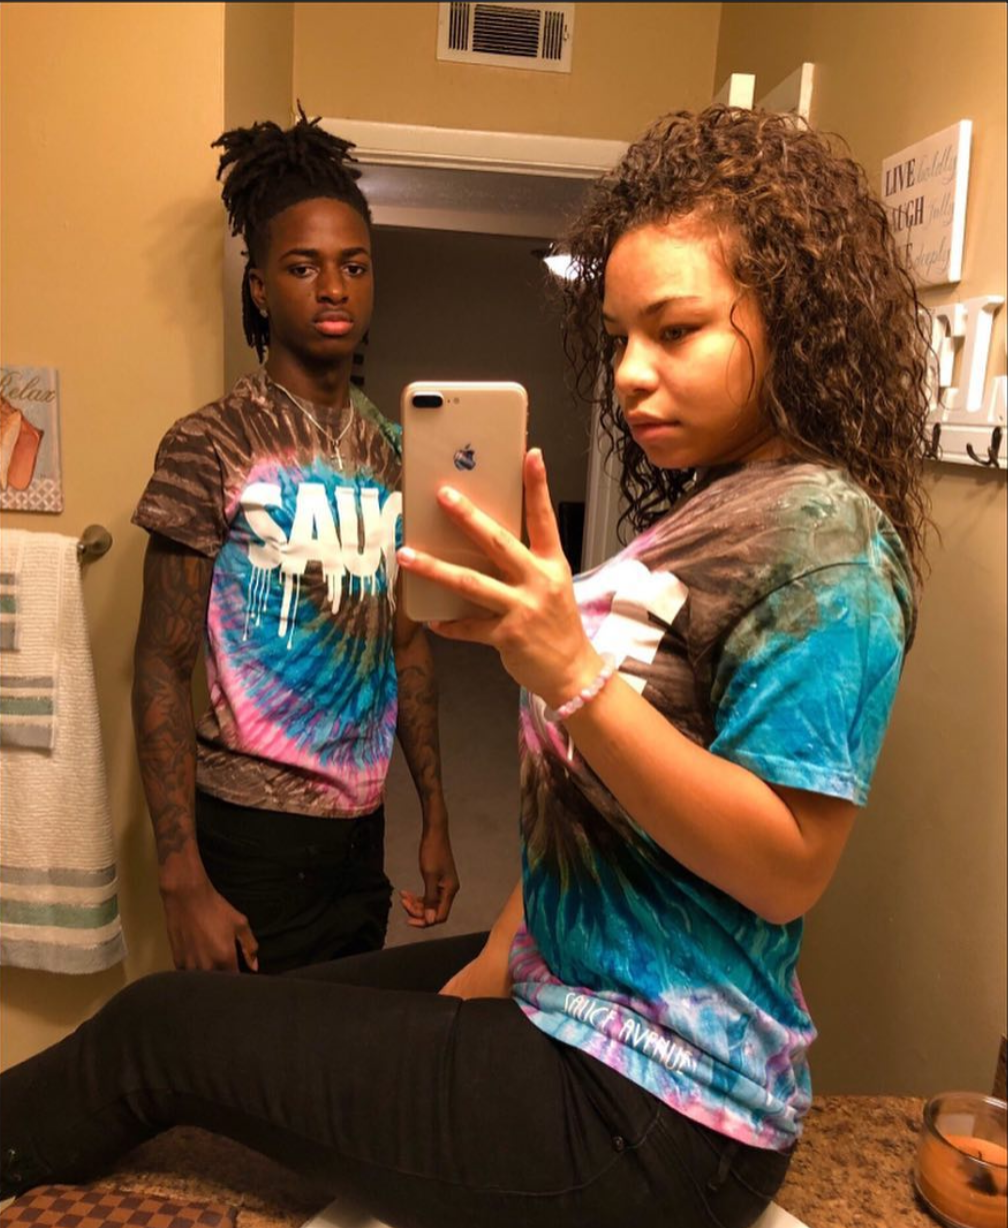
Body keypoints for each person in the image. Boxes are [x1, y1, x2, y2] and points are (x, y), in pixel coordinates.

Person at [1, 106, 932, 1228]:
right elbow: (601, 805)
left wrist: (570, 672)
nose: (630, 376)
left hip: (655, 1105)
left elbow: (788, 868)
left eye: (676, 331)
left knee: (158, 1032)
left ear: (794, 316)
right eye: (619, 337)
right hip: (573, 999)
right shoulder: (719, 508)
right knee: (244, 1020)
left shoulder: (826, 537)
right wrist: (502, 950)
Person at [129, 108, 458, 974]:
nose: (334, 288)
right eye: (304, 267)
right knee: (240, 1053)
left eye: (354, 266)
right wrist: (180, 876)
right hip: (248, 839)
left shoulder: (397, 453)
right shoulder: (210, 444)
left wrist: (435, 815)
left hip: (360, 832)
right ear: (260, 289)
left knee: (344, 1047)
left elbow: (408, 646)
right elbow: (160, 662)